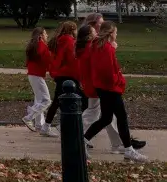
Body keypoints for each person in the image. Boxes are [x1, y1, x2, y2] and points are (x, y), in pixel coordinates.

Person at [83, 21, 148, 162]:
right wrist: (118, 81)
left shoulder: (96, 46)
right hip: (110, 88)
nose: (117, 35)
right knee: (121, 117)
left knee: (106, 118)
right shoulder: (106, 48)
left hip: (101, 87)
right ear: (111, 33)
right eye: (116, 32)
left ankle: (84, 140)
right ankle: (128, 149)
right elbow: (108, 70)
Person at [41, 21, 81, 137]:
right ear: (72, 30)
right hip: (69, 74)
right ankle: (62, 126)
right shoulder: (69, 41)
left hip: (61, 74)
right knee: (79, 101)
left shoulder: (59, 41)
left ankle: (47, 126)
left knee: (57, 101)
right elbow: (71, 59)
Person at [22, 27, 52, 132]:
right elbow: (47, 60)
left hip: (32, 74)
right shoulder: (41, 46)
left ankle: (39, 124)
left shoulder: (33, 46)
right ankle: (29, 116)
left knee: (39, 100)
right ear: (40, 36)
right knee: (46, 100)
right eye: (45, 34)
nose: (47, 35)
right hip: (37, 75)